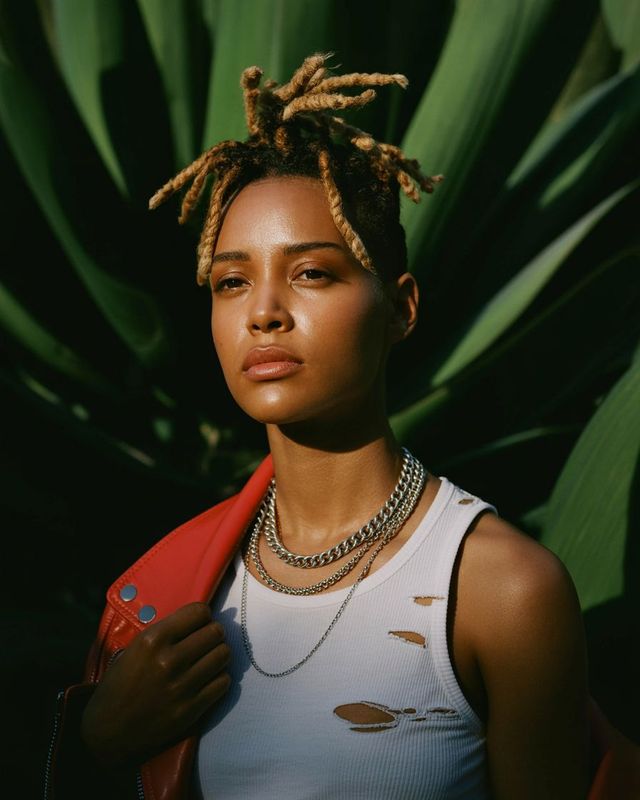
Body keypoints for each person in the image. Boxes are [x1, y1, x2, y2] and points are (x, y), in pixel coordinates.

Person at [46, 53, 626, 800]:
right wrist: (98, 743)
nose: (263, 312)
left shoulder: (500, 591)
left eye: (312, 272)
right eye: (231, 281)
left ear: (401, 308)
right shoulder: (167, 596)